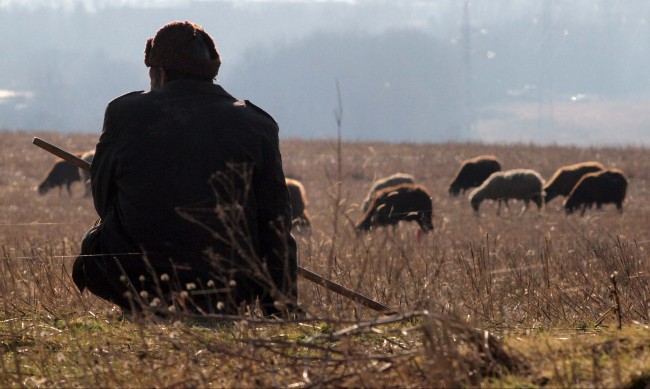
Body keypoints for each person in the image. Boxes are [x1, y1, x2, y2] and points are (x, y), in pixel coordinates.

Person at [72, 21, 298, 318]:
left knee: (95, 242)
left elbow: (104, 199)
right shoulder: (257, 124)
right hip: (227, 289)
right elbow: (276, 225)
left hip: (136, 280)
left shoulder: (124, 113)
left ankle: (139, 310)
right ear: (211, 72)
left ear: (159, 73)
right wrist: (280, 307)